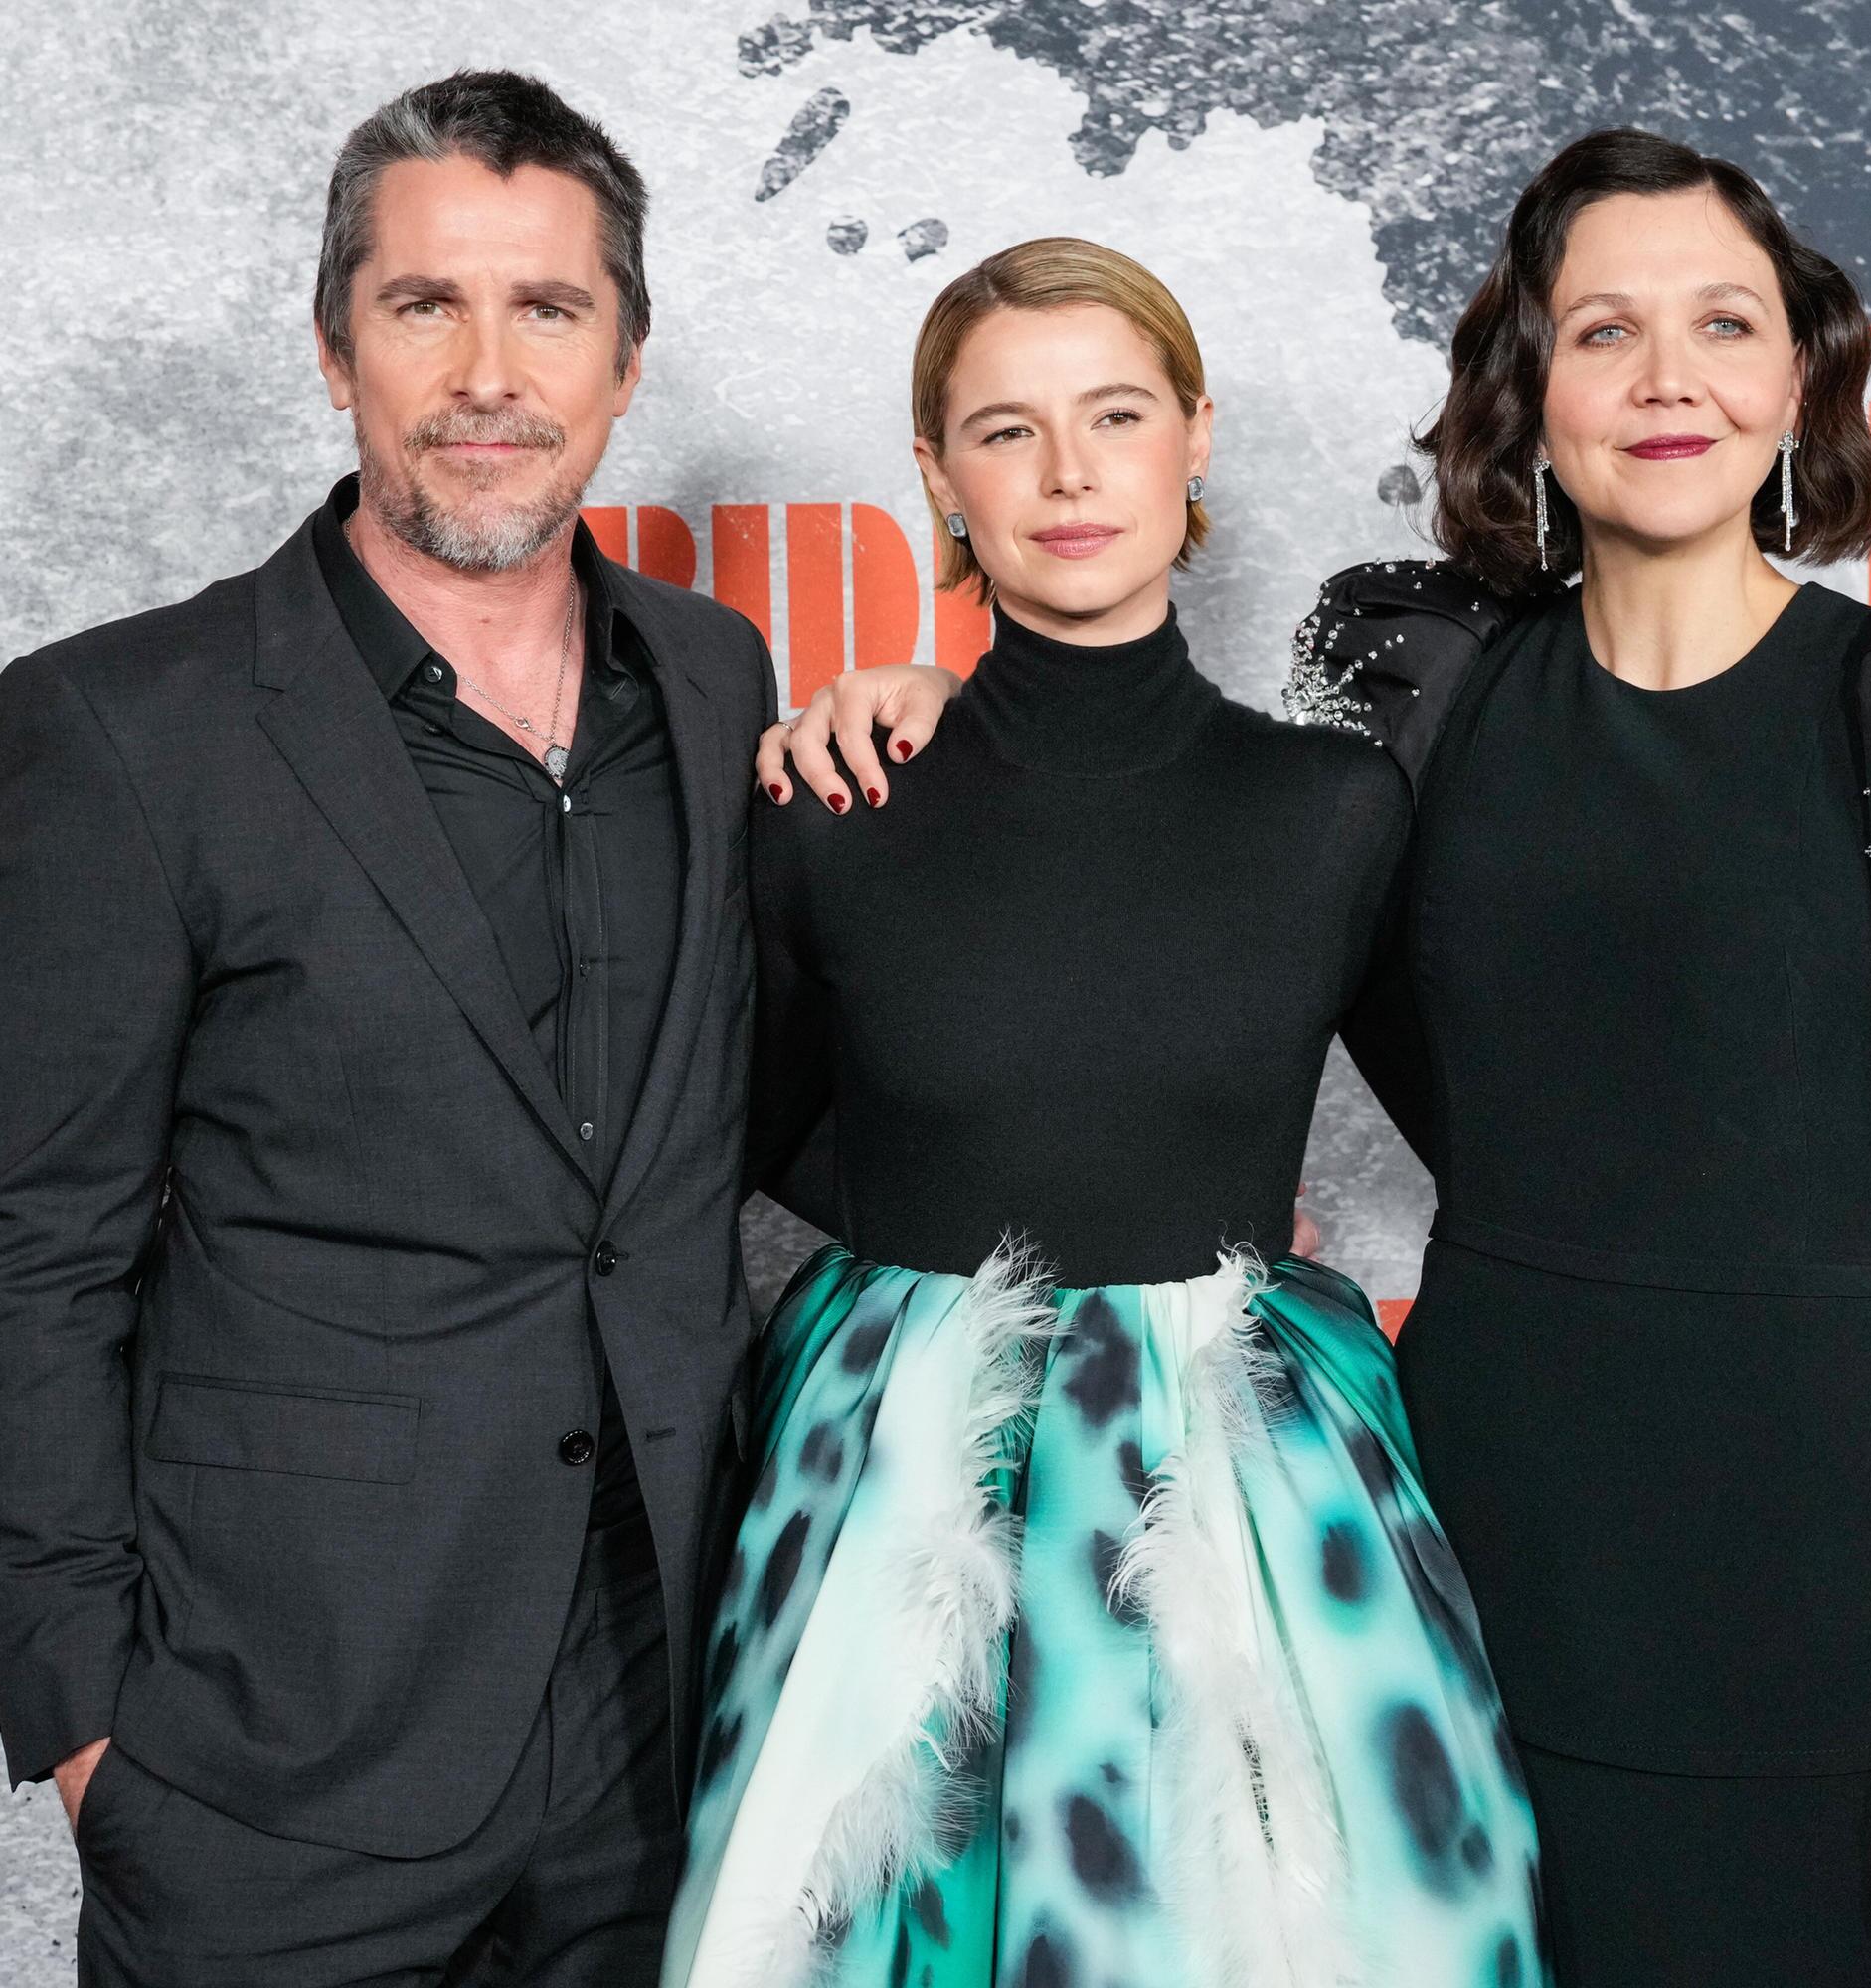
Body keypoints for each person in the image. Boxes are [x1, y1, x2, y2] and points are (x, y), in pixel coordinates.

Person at [767, 130, 1871, 1985]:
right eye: (1606, 331)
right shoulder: (1417, 682)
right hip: (1464, 1526)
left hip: (1815, 1532)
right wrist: (956, 713)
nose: (1669, 380)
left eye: (1726, 325)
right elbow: (1178, 888)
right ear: (1529, 386)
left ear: (1802, 374)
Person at [0, 72, 777, 1985]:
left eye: (547, 308)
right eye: (424, 305)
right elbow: (32, 1253)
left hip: (661, 1741)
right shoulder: (124, 726)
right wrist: (88, 1732)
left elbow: (775, 1100)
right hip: (273, 1759)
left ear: (626, 358)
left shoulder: (717, 680)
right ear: (336, 348)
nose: (488, 373)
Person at [666, 238, 1544, 1988]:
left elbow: (1513, 1138)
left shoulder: (1333, 806)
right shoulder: (833, 801)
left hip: (1254, 1491)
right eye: (1008, 430)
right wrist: (961, 1217)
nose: (1069, 473)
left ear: (1194, 436)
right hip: (895, 1478)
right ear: (939, 473)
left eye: (1118, 414)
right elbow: (729, 1134)